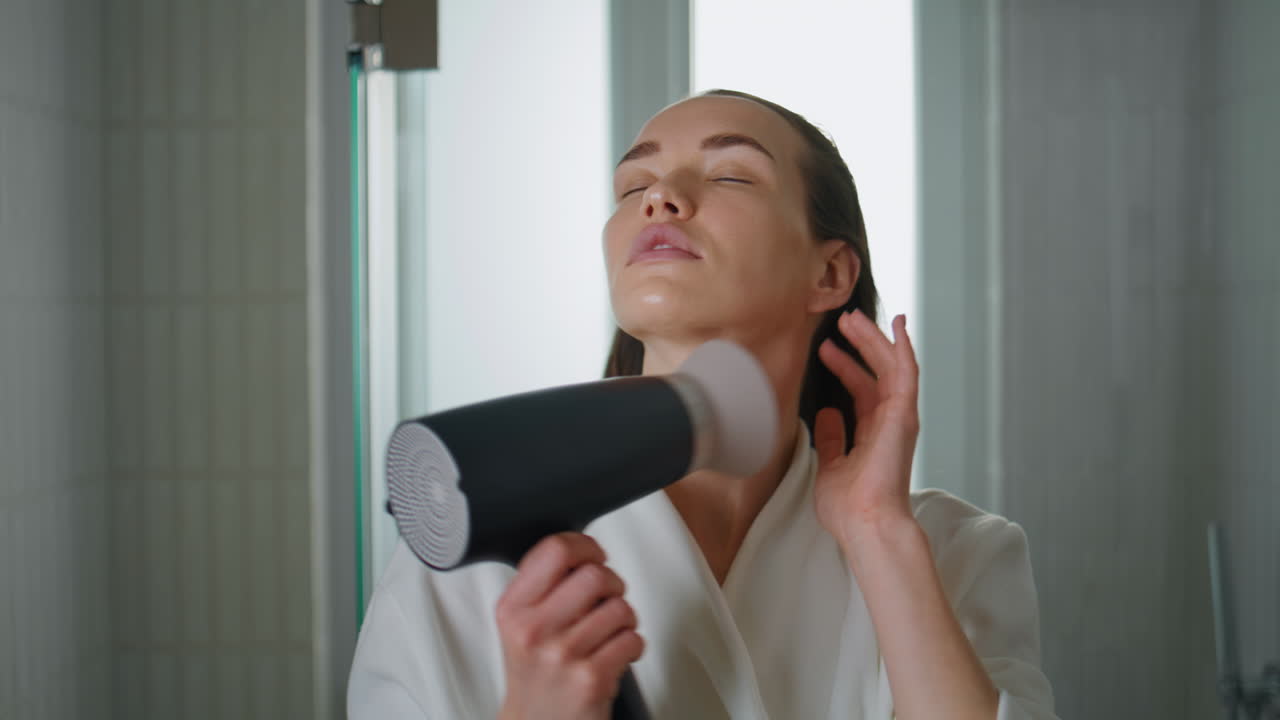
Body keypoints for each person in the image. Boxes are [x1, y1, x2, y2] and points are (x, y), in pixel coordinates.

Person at [347, 89, 1058, 720]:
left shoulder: (954, 552)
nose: (659, 197)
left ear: (831, 271)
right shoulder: (462, 559)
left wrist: (877, 533)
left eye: (729, 174)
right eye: (632, 186)